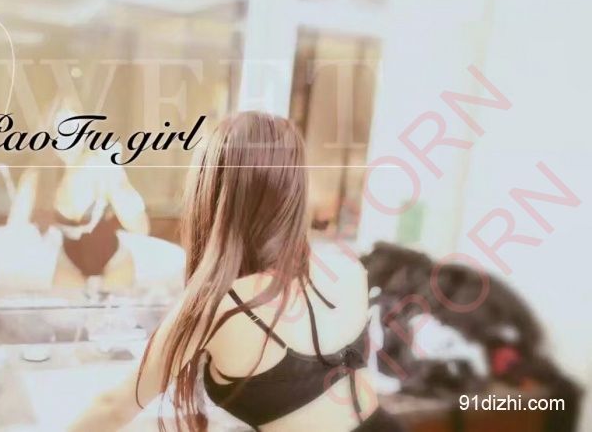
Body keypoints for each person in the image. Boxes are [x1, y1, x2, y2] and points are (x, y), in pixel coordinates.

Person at [70, 112, 404, 431]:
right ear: (295, 190)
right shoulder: (348, 269)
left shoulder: (218, 307)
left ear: (213, 194)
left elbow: (114, 408)